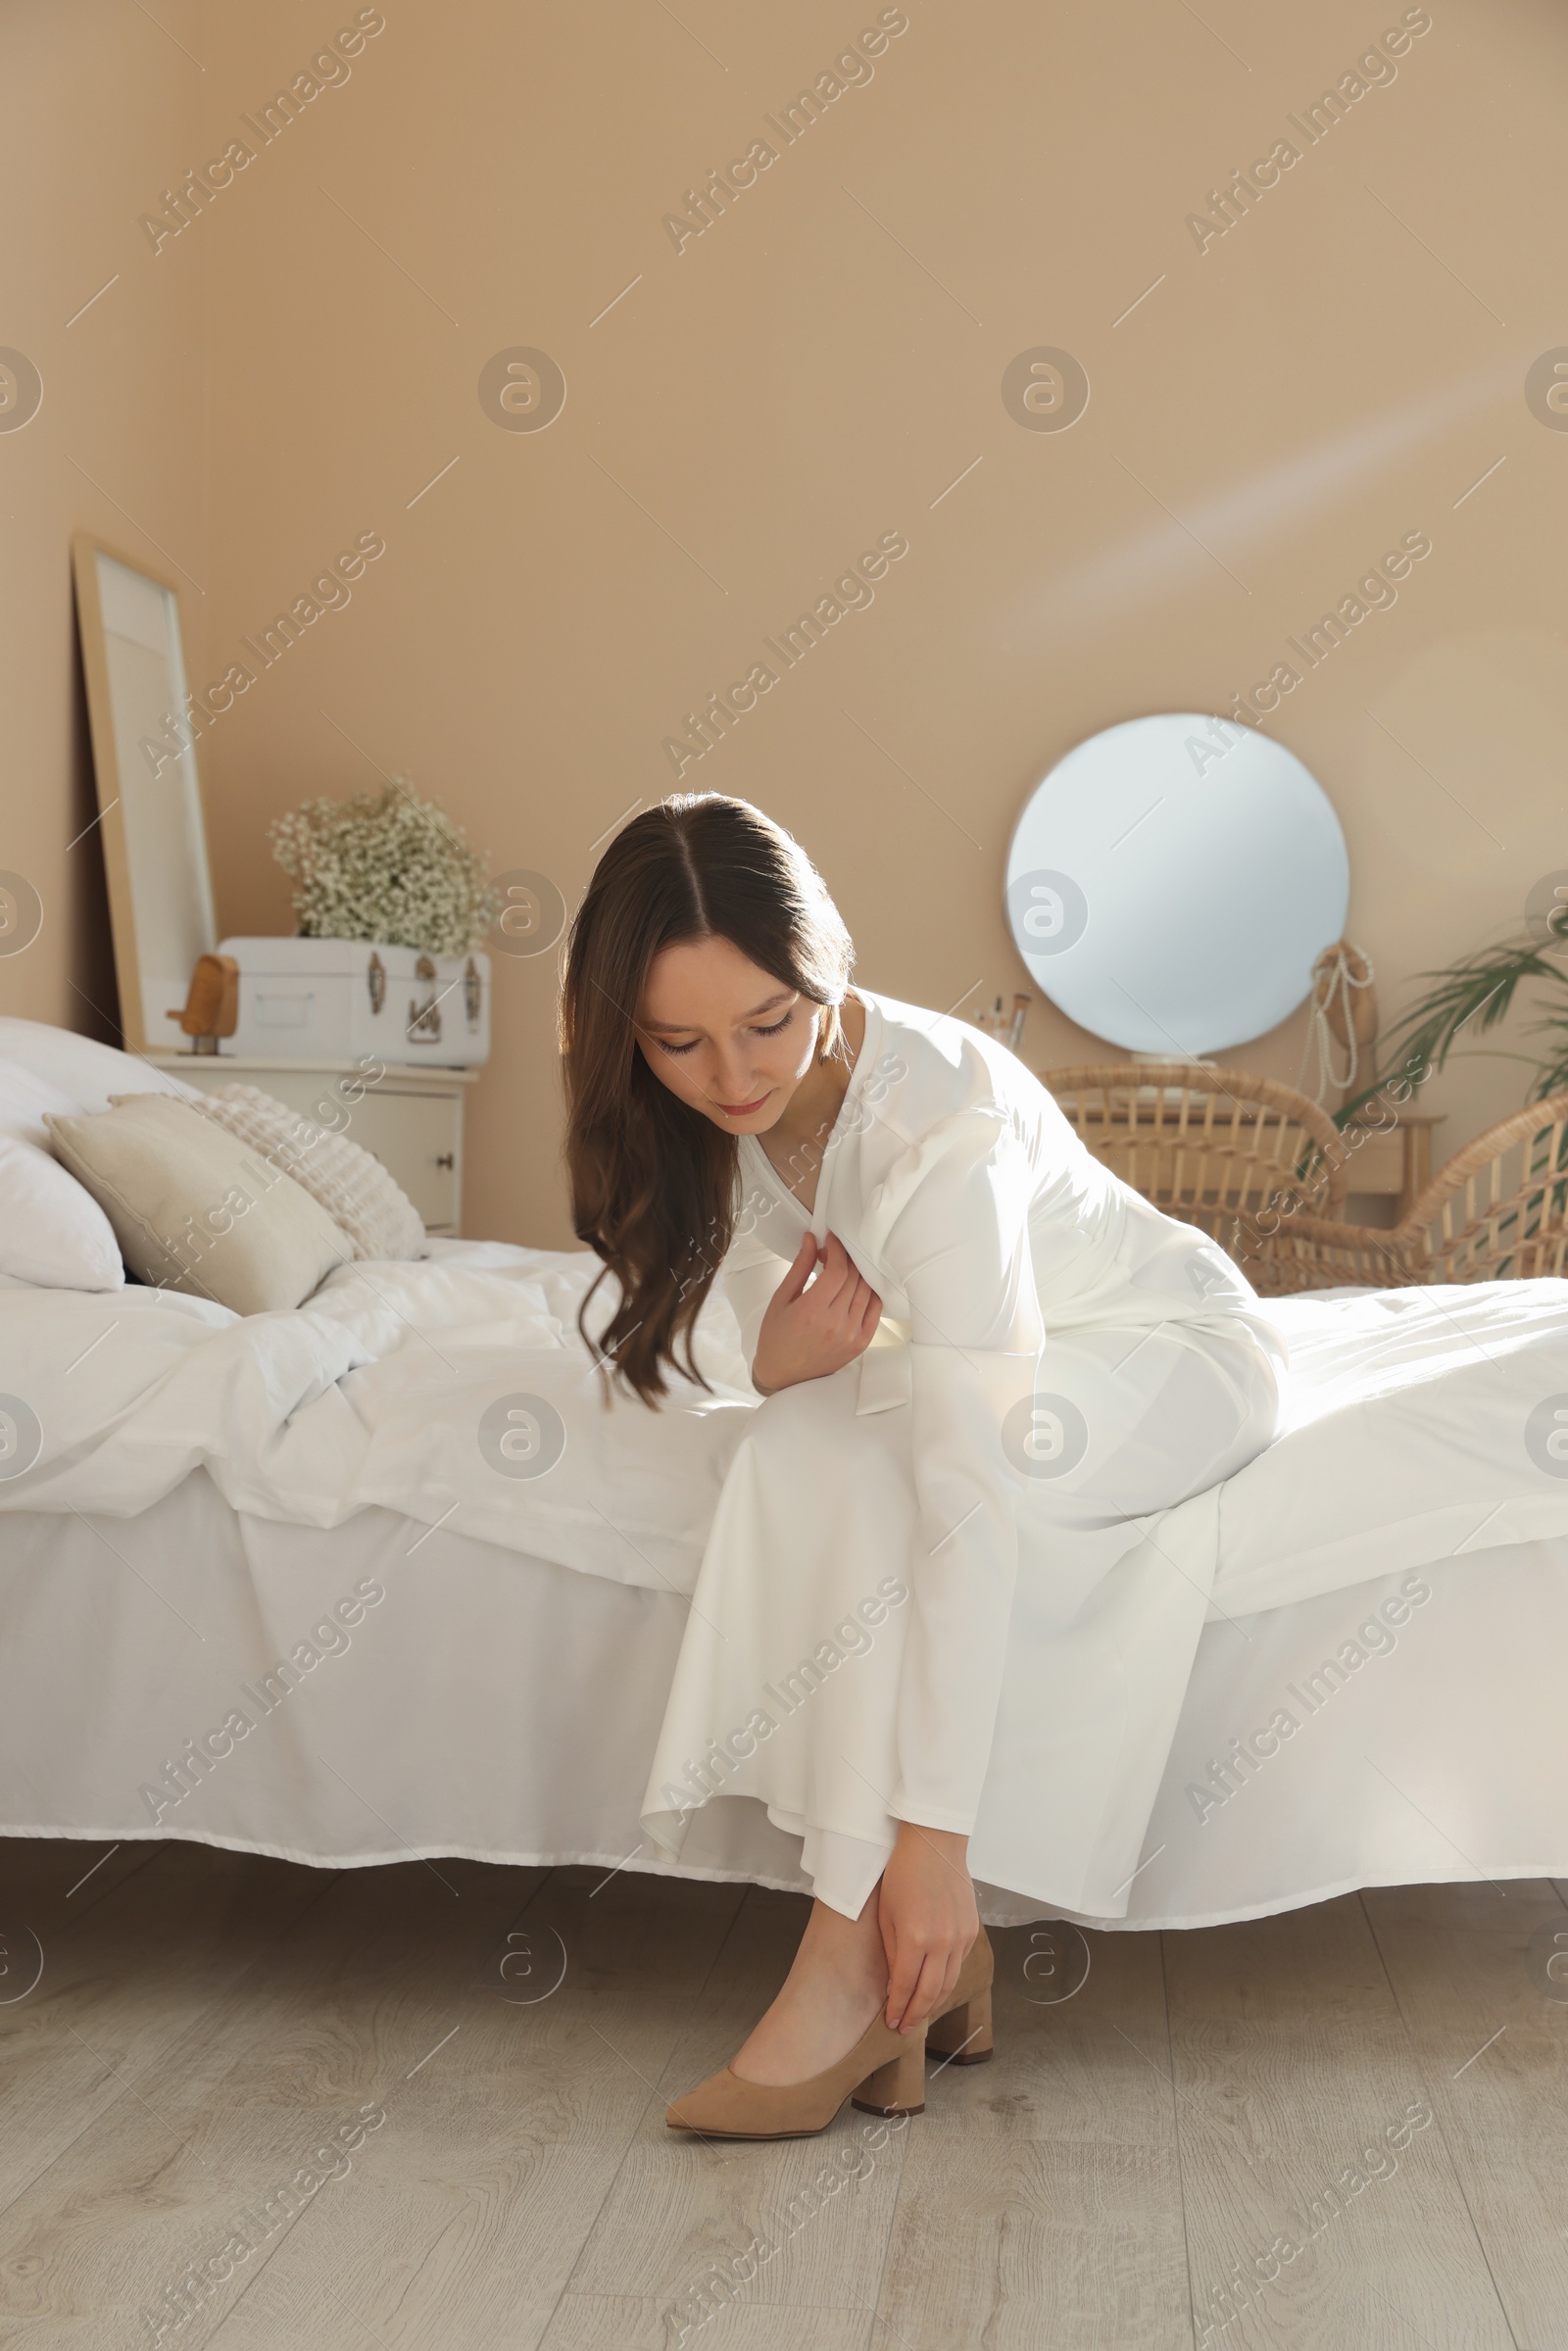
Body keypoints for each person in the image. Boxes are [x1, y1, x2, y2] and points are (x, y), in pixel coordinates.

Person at [562, 792, 1287, 2139]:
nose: (730, 1077)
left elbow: (967, 1498)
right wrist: (776, 1367)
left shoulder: (935, 1128)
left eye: (768, 1024)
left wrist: (939, 1847)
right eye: (679, 1042)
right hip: (1022, 1352)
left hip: (1168, 1353)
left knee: (891, 1484)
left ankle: (853, 1966)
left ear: (823, 968)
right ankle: (900, 1994)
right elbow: (720, 1330)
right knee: (797, 1451)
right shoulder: (724, 1101)